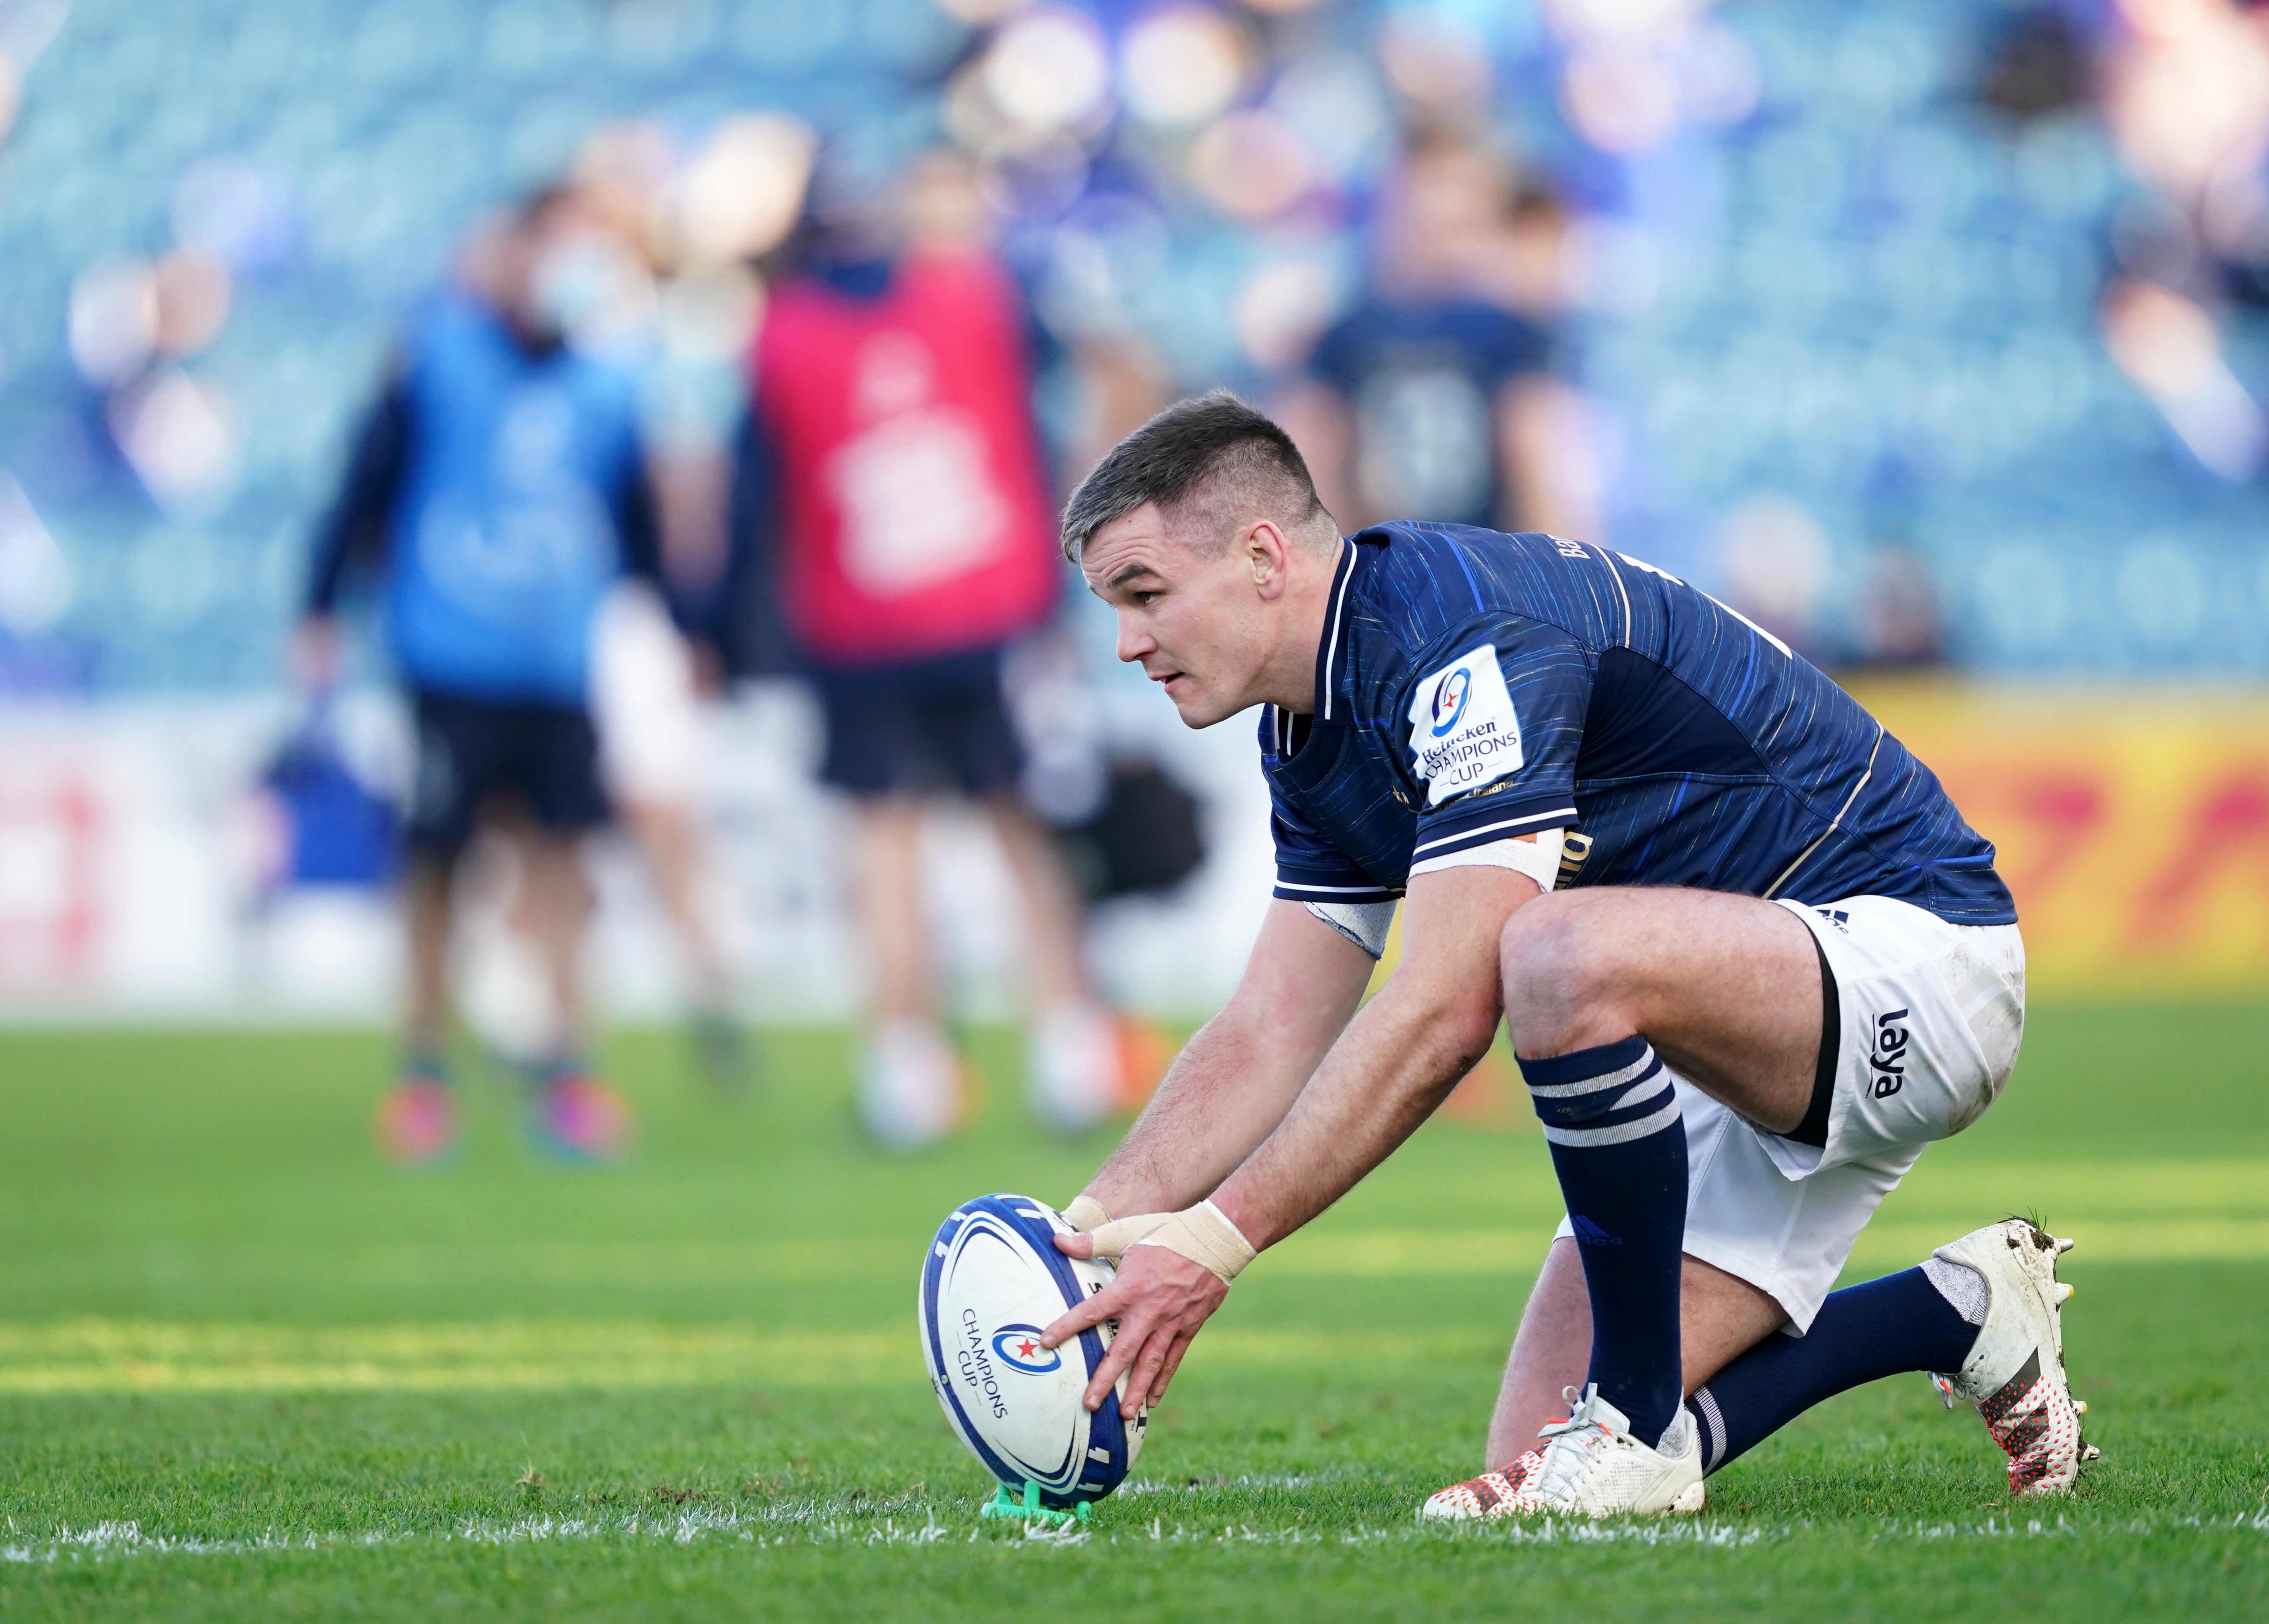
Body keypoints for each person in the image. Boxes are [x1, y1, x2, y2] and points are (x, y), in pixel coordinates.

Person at [1032, 392, 2097, 1519]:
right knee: (1537, 1449)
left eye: (1143, 594)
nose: (1125, 642)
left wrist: (1212, 1243)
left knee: (1543, 952)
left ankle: (1631, 1423)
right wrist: (1082, 1238)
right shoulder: (1309, 729)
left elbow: (1445, 1007)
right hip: (1705, 1019)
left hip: (1912, 959)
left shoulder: (1459, 634)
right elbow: (1268, 1028)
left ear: (1259, 555)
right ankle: (1957, 1310)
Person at [733, 148, 1148, 1149]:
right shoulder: (982, 293)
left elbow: (760, 506)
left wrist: (732, 634)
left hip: (860, 622)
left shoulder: (783, 336)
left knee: (885, 851)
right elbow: (1111, 378)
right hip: (987, 609)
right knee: (1020, 833)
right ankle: (1071, 1048)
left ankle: (906, 1072)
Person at [299, 185, 653, 1165]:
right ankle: (421, 1073)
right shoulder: (436, 357)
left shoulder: (611, 383)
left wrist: (682, 623)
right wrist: (320, 608)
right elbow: (363, 486)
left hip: (560, 665)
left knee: (566, 867)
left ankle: (565, 1066)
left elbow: (633, 523)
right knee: (437, 869)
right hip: (449, 660)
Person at [1277, 132, 1595, 542]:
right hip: (1464, 567)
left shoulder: (1509, 332)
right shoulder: (1347, 333)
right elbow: (1316, 454)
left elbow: (1534, 456)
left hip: (1425, 562)